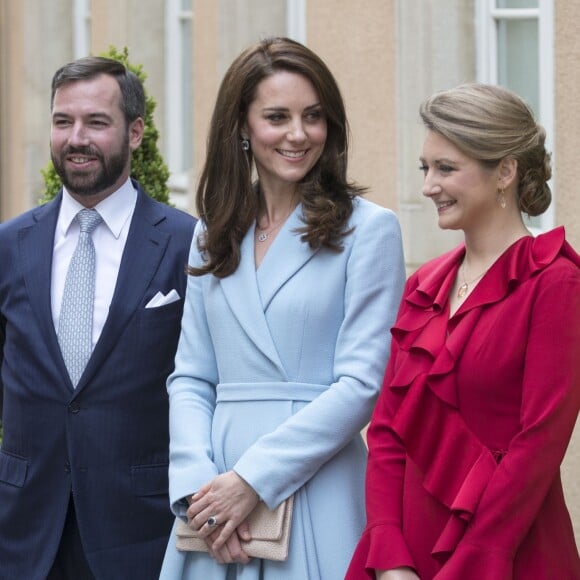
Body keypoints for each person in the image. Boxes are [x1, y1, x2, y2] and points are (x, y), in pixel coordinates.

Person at [160, 36, 406, 579]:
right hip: (214, 500)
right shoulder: (212, 233)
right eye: (277, 116)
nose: (298, 134)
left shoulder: (369, 231)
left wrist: (252, 481)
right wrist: (200, 493)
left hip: (314, 485)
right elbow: (192, 378)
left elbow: (363, 384)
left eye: (313, 117)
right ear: (243, 128)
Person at [346, 83, 580, 580]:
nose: (429, 185)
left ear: (506, 172)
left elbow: (537, 447)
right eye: (425, 169)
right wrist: (388, 557)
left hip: (508, 556)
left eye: (446, 169)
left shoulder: (557, 282)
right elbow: (386, 434)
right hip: (405, 560)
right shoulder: (422, 287)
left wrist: (474, 565)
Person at [0, 57, 196, 579]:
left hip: (140, 533)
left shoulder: (186, 245)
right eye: (63, 121)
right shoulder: (10, 244)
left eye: (96, 122)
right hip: (23, 535)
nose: (76, 138)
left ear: (135, 132)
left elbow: (205, 383)